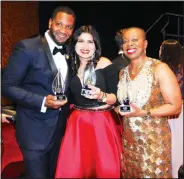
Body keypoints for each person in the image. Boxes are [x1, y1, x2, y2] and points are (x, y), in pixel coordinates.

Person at [2, 6, 76, 178]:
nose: (63, 31)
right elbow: (6, 85)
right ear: (50, 23)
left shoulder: (69, 52)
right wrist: (42, 101)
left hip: (58, 131)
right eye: (59, 24)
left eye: (69, 27)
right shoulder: (27, 47)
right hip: (33, 130)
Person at [55, 25, 122, 178]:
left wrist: (102, 95)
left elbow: (117, 97)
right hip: (77, 124)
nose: (85, 46)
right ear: (74, 44)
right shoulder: (69, 67)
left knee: (105, 168)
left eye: (90, 42)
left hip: (102, 123)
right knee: (74, 169)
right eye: (81, 41)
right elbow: (69, 97)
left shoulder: (104, 63)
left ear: (96, 45)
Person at [117, 27, 182, 178]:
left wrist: (145, 112)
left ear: (145, 44)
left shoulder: (159, 68)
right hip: (129, 143)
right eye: (125, 41)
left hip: (153, 143)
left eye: (134, 40)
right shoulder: (123, 72)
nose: (129, 45)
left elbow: (175, 106)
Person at [159, 39, 184, 178]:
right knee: (179, 147)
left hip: (165, 111)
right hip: (181, 112)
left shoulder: (160, 69)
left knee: (167, 146)